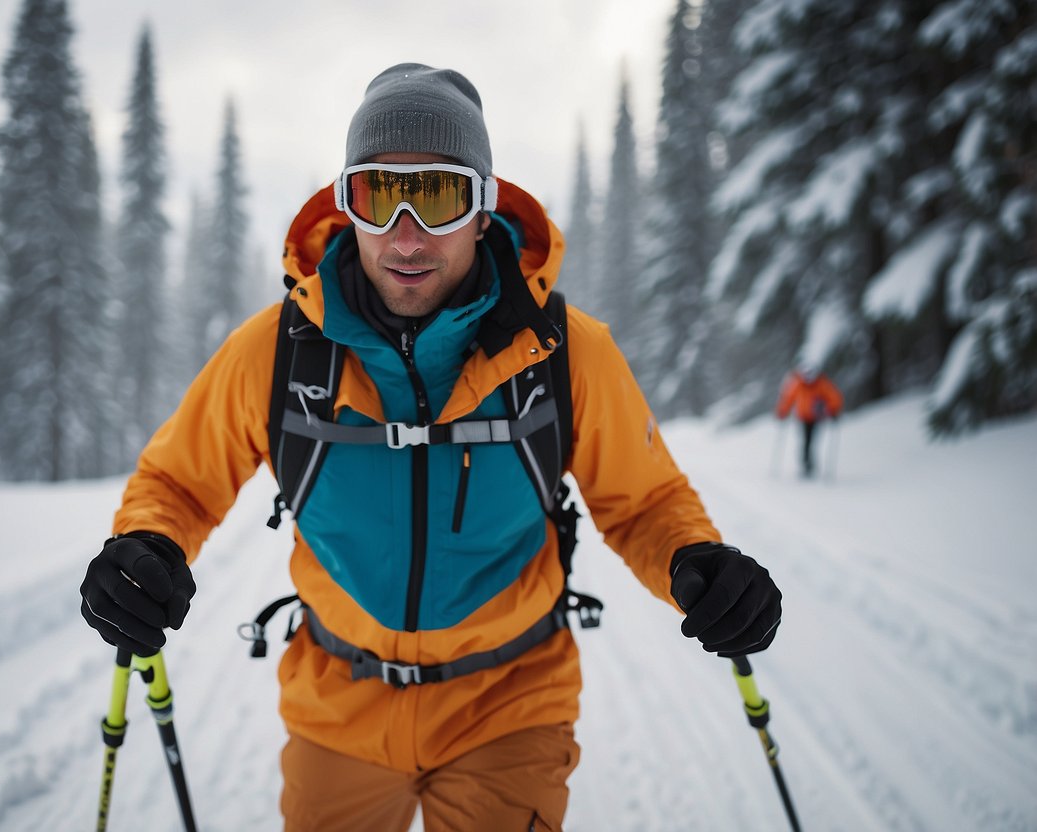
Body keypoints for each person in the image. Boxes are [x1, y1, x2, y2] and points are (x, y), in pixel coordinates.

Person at [80, 63, 782, 831]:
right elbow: (179, 480)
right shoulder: (278, 352)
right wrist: (144, 546)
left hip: (509, 704)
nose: (406, 233)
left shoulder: (562, 352)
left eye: (439, 195)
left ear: (482, 212)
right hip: (337, 708)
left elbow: (644, 500)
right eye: (379, 194)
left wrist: (695, 564)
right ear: (349, 207)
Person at [775, 364, 844, 477]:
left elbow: (834, 397)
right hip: (803, 417)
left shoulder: (822, 384)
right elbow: (788, 398)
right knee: (806, 440)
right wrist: (783, 411)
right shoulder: (798, 384)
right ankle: (806, 464)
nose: (808, 378)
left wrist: (833, 410)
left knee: (812, 441)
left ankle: (809, 464)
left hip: (817, 417)